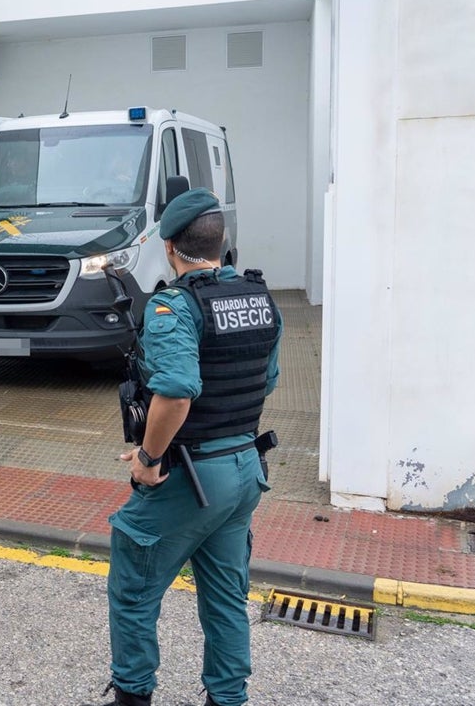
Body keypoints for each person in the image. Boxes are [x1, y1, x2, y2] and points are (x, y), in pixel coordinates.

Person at [104, 188, 282, 706]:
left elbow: (177, 391)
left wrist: (148, 458)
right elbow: (265, 383)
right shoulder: (259, 298)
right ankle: (227, 698)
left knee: (134, 591)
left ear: (170, 248)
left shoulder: (174, 306)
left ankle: (133, 695)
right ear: (221, 244)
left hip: (190, 475)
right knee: (226, 596)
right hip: (245, 468)